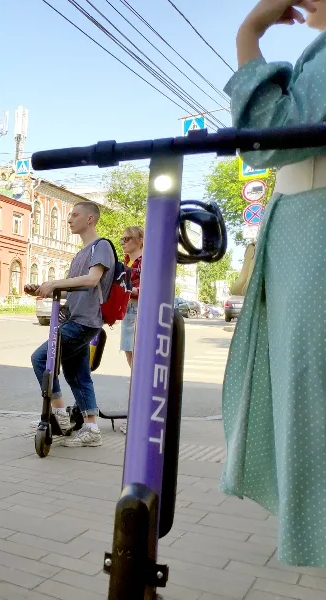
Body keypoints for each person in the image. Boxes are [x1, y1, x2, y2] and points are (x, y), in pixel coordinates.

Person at [221, 0, 326, 567]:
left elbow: (273, 134)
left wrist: (252, 27)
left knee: (309, 393)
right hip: (307, 231)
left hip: (316, 235)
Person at [25, 201, 115, 448]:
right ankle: (91, 428)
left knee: (40, 358)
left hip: (83, 322)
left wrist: (55, 283)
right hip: (77, 318)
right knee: (78, 374)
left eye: (75, 215)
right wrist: (45, 289)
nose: (69, 219)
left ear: (90, 219)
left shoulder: (101, 246)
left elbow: (92, 280)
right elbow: (75, 291)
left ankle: (60, 414)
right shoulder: (80, 254)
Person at [118, 226, 143, 435]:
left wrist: (131, 290)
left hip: (138, 311)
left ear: (140, 239)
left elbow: (151, 288)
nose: (124, 242)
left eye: (128, 238)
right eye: (122, 240)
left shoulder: (146, 261)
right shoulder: (126, 263)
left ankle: (137, 418)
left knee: (139, 370)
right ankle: (136, 416)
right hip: (128, 311)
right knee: (134, 368)